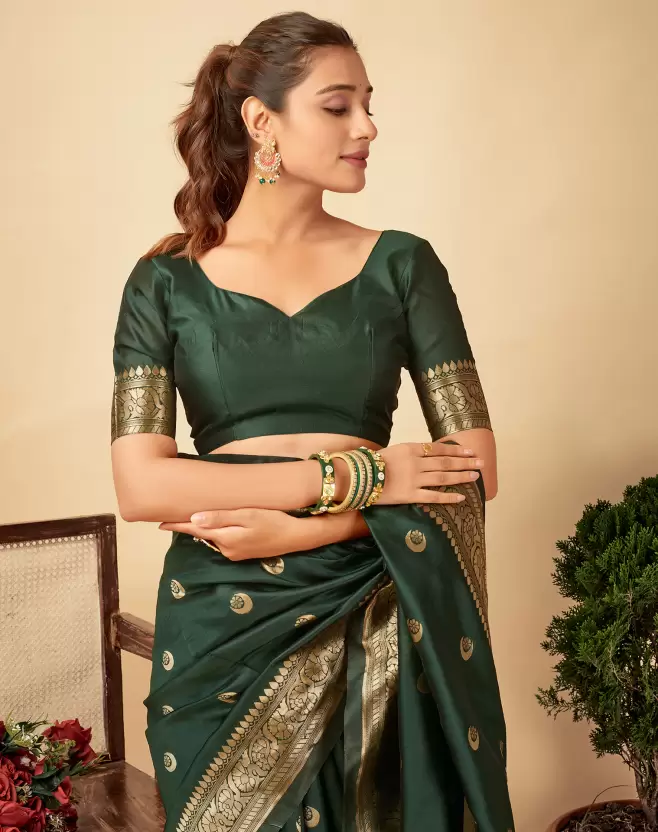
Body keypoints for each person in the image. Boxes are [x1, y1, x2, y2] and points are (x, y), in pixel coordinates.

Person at [110, 10, 514, 832]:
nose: (367, 127)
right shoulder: (163, 283)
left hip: (381, 601)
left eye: (368, 104)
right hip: (222, 626)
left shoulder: (404, 265)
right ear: (262, 121)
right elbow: (142, 485)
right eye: (338, 106)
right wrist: (361, 475)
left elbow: (473, 469)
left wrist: (312, 528)